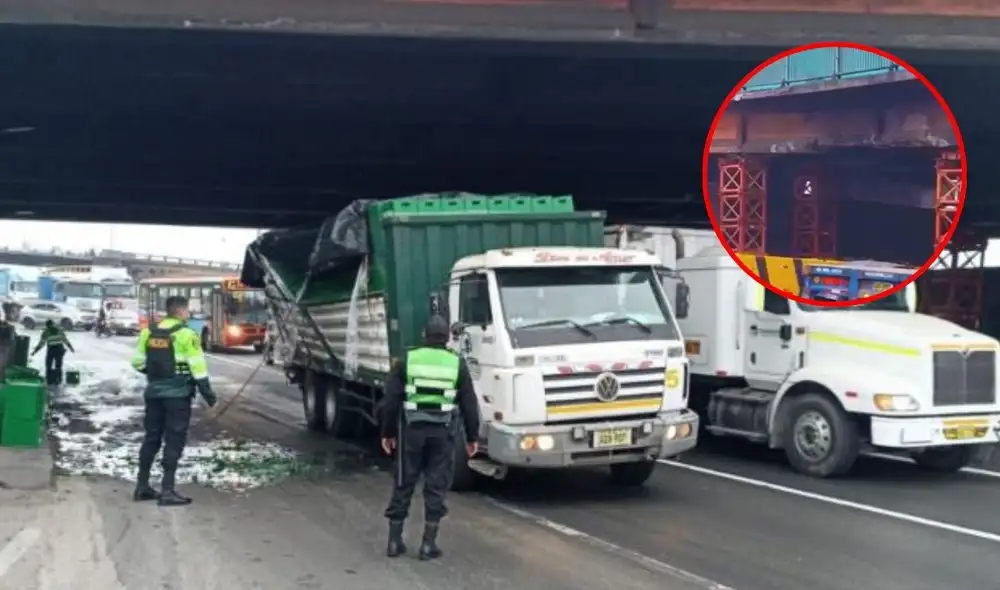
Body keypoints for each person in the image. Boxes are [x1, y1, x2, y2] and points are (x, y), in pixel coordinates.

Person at [379, 315, 480, 561]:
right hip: (442, 433)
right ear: (446, 338)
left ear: (424, 335)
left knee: (404, 481)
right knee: (436, 484)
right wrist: (472, 437)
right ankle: (428, 545)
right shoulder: (456, 363)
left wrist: (388, 432)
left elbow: (390, 401)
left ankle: (394, 542)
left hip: (411, 432)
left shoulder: (408, 359)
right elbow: (469, 403)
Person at [130, 295, 217, 506]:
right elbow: (198, 367)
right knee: (174, 439)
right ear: (180, 312)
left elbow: (137, 362)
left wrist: (157, 377)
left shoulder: (148, 332)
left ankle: (142, 487)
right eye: (187, 311)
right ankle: (167, 490)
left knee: (152, 438)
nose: (188, 314)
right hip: (178, 396)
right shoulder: (187, 334)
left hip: (153, 393)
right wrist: (208, 394)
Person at [31, 319, 75, 384]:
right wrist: (71, 348)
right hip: (59, 349)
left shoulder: (46, 332)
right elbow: (65, 340)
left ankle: (49, 379)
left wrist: (34, 351)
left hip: (51, 349)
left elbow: (41, 344)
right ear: (53, 324)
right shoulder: (60, 330)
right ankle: (59, 379)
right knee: (59, 365)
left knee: (48, 365)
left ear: (47, 326)